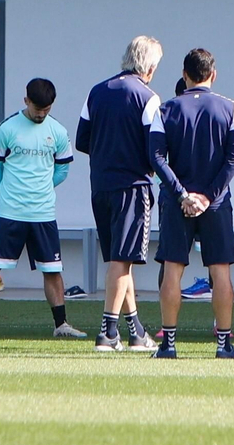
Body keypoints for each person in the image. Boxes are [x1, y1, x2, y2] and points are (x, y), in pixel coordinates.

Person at [0, 78, 87, 340]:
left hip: (43, 213)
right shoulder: (7, 128)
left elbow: (62, 169)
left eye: (46, 109)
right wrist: (10, 191)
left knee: (53, 269)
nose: (41, 114)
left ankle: (61, 325)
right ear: (26, 101)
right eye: (37, 109)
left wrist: (42, 188)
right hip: (8, 213)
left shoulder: (57, 131)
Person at [148, 49, 234, 359]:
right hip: (215, 204)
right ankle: (224, 345)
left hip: (178, 203)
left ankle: (169, 344)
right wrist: (209, 195)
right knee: (220, 272)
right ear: (213, 75)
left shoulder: (165, 110)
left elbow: (156, 157)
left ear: (185, 75)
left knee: (172, 270)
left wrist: (182, 194)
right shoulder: (232, 109)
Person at [76, 35, 162, 353]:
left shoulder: (97, 91)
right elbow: (155, 149)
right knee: (122, 260)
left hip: (100, 185)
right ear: (149, 67)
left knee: (118, 261)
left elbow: (82, 141)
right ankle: (108, 331)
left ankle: (135, 331)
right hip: (133, 187)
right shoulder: (147, 97)